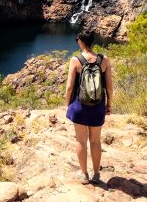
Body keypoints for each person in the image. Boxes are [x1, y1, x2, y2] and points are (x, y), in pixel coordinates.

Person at [65, 30, 113, 184]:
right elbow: (110, 87)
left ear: (80, 42)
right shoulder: (104, 59)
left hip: (79, 106)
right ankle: (96, 175)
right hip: (98, 106)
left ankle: (84, 174)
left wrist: (68, 104)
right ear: (93, 42)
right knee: (95, 141)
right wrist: (109, 104)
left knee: (81, 141)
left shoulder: (76, 60)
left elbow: (69, 86)